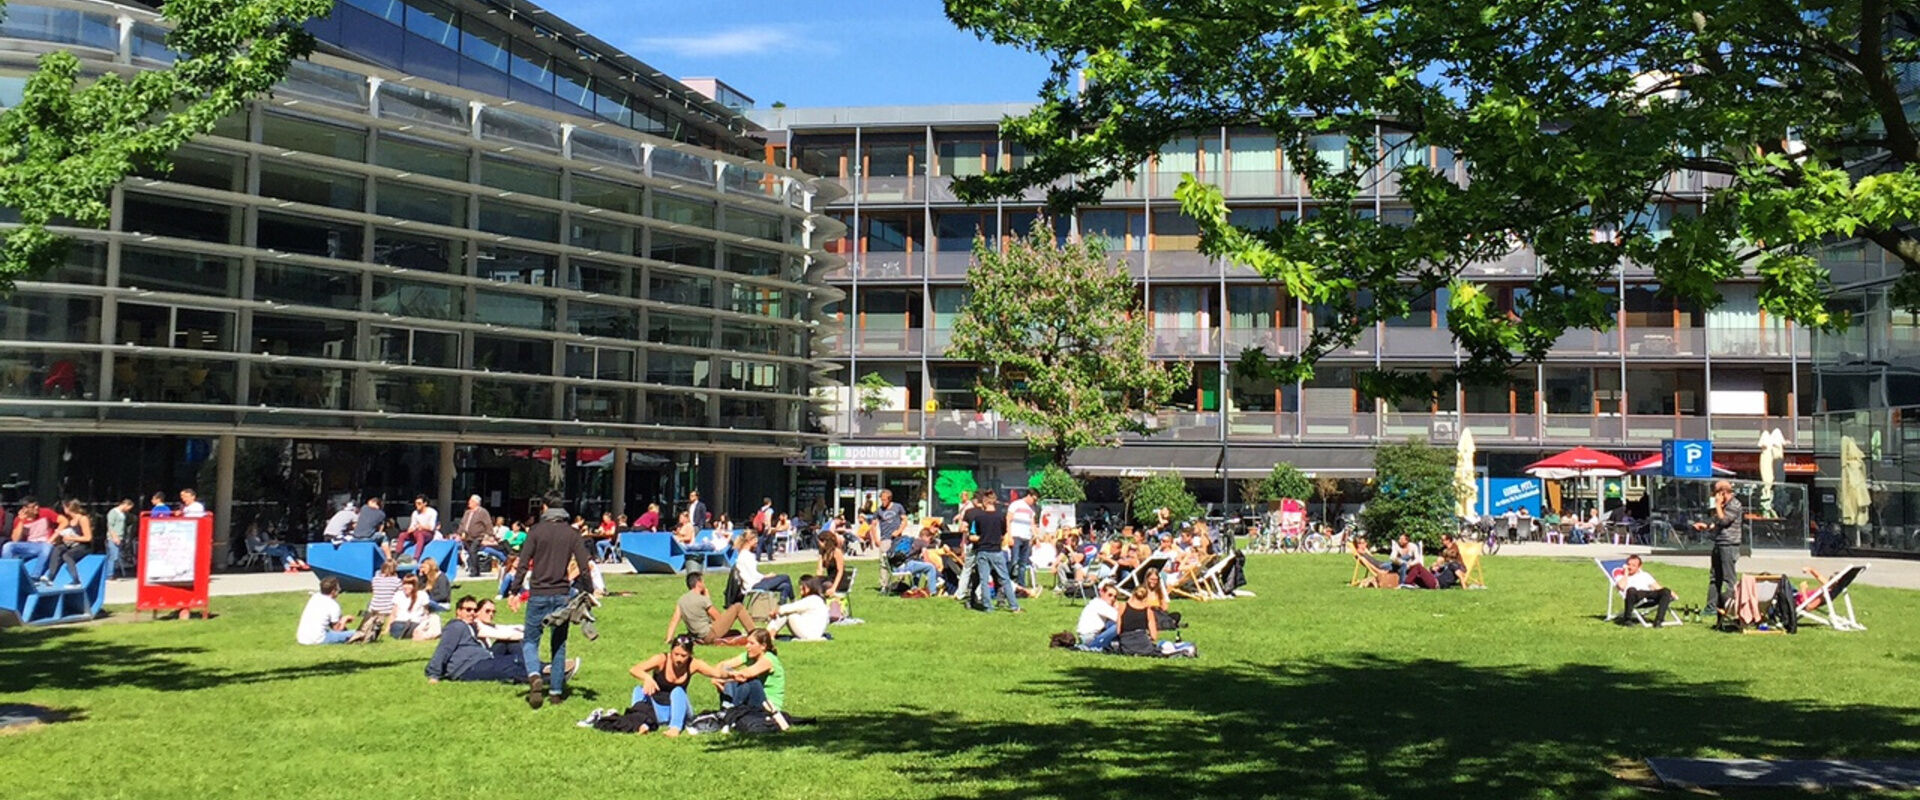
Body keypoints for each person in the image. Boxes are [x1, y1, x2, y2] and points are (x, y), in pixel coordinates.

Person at [509, 494, 594, 709]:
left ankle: (535, 675)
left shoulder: (536, 531)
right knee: (559, 644)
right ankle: (556, 692)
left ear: (545, 507)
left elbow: (522, 563)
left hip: (538, 592)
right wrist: (589, 590)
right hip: (562, 594)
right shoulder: (572, 533)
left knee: (530, 640)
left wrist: (514, 590)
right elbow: (584, 565)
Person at [628, 636, 729, 736]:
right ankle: (641, 723)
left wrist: (735, 674)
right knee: (639, 690)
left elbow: (717, 673)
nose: (678, 659)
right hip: (657, 709)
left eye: (683, 655)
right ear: (671, 651)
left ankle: (675, 728)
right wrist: (647, 677)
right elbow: (634, 669)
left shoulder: (694, 664)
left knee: (678, 691)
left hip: (679, 710)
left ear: (690, 654)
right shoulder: (661, 660)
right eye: (676, 654)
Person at [427, 596, 531, 683]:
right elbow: (444, 649)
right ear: (458, 611)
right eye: (468, 609)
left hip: (482, 658)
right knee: (512, 663)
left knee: (514, 659)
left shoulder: (471, 625)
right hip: (470, 665)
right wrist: (433, 675)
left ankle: (540, 670)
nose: (472, 612)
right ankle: (539, 671)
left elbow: (503, 628)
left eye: (474, 610)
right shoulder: (458, 626)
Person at [960, 488, 1020, 613]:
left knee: (984, 580)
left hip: (982, 551)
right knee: (1005, 579)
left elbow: (972, 535)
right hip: (997, 551)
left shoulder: (978, 517)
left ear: (984, 502)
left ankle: (988, 607)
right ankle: (1014, 606)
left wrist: (982, 538)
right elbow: (1003, 534)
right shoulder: (1001, 517)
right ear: (995, 501)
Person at [1692, 480, 1744, 617]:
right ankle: (1711, 607)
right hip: (1719, 543)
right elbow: (1717, 523)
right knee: (1715, 577)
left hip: (1729, 544)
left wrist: (1717, 505)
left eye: (1716, 493)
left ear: (1722, 492)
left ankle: (1731, 606)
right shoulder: (1724, 505)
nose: (1714, 496)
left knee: (1729, 578)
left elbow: (1724, 521)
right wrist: (1706, 526)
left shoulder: (1735, 504)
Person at [665, 572, 756, 644]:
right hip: (708, 635)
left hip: (696, 636)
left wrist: (669, 639)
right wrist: (707, 598)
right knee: (738, 607)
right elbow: (718, 618)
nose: (704, 584)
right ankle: (755, 634)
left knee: (736, 632)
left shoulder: (682, 600)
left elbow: (674, 620)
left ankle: (750, 634)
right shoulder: (702, 599)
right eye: (703, 581)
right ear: (698, 583)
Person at [712, 628, 786, 716]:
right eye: (747, 642)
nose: (747, 646)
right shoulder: (748, 656)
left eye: (751, 643)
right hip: (753, 701)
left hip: (768, 706)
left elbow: (745, 674)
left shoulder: (768, 660)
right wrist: (718, 676)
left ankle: (729, 710)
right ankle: (727, 710)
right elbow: (723, 665)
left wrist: (724, 680)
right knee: (733, 680)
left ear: (763, 646)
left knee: (751, 682)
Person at [40, 499, 94, 588]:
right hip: (72, 544)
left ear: (68, 508)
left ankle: (76, 580)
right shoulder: (70, 520)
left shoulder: (82, 519)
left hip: (83, 546)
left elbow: (88, 537)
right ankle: (50, 576)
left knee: (67, 555)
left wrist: (71, 538)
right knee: (58, 549)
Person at [1612, 555, 1676, 627]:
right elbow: (1621, 586)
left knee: (1666, 591)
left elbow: (1658, 587)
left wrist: (1671, 593)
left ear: (1639, 567)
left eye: (1633, 565)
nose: (1630, 567)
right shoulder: (1621, 576)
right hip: (1634, 597)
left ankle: (1658, 621)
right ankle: (1627, 620)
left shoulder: (1645, 575)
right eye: (1628, 564)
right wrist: (1626, 574)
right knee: (1631, 589)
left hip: (1648, 596)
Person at [3, 496, 59, 574]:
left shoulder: (46, 512)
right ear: (25, 509)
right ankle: (7, 572)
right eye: (33, 507)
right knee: (8, 546)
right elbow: (15, 539)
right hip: (29, 545)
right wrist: (21, 521)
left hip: (44, 544)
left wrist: (53, 538)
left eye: (37, 505)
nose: (36, 508)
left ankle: (36, 575)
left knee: (47, 547)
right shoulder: (19, 519)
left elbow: (64, 521)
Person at [733, 531, 794, 602]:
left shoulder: (743, 554)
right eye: (755, 541)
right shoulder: (746, 556)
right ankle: (793, 600)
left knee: (786, 586)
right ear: (749, 541)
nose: (757, 543)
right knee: (786, 577)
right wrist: (767, 576)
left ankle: (781, 608)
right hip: (754, 585)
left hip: (756, 583)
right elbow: (754, 575)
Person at [767, 575, 831, 641]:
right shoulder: (817, 599)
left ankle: (769, 634)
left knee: (787, 613)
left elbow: (788, 608)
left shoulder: (812, 599)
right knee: (787, 611)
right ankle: (768, 633)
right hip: (814, 633)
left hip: (810, 634)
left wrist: (775, 611)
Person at [296, 577, 355, 645]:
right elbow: (337, 629)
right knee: (355, 633)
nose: (340, 590)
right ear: (333, 591)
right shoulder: (333, 605)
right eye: (338, 589)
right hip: (318, 639)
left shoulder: (315, 597)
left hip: (302, 638)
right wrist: (345, 619)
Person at [389, 574, 442, 640]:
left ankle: (423, 634)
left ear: (415, 585)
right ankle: (425, 635)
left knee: (433, 618)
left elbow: (393, 615)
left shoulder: (421, 595)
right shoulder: (400, 594)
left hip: (398, 629)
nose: (406, 586)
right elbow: (393, 614)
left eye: (409, 584)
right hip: (407, 626)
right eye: (405, 584)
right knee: (435, 618)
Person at [1075, 581, 1121, 652]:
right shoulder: (1100, 604)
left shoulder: (1095, 602)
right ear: (1102, 592)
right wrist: (1118, 608)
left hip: (1087, 636)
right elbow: (1119, 619)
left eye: (1115, 597)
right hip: (1089, 637)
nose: (1112, 598)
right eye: (1110, 595)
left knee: (1111, 625)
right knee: (1117, 626)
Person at [1006, 489, 1038, 589]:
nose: (1034, 501)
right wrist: (1009, 535)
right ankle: (1006, 581)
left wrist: (1035, 536)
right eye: (1033, 499)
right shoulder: (1015, 504)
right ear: (1029, 495)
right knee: (1014, 560)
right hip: (1016, 536)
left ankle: (1021, 584)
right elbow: (1008, 519)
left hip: (1027, 538)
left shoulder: (1031, 509)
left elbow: (1032, 524)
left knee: (1023, 563)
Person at [457, 495, 494, 576]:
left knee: (473, 551)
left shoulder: (482, 512)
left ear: (476, 502)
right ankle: (476, 570)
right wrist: (460, 532)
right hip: (467, 537)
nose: (469, 503)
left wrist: (490, 535)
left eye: (471, 501)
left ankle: (474, 571)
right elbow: (463, 523)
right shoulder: (467, 512)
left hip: (478, 536)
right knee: (471, 553)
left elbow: (488, 523)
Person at [900, 525, 942, 592]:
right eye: (930, 539)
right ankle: (933, 591)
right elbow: (926, 559)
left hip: (901, 566)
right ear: (925, 536)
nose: (929, 541)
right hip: (909, 565)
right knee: (930, 567)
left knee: (920, 565)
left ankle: (915, 588)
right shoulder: (922, 542)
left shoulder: (914, 541)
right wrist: (935, 565)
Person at [399, 495, 438, 562]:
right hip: (416, 532)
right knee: (402, 535)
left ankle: (416, 558)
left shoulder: (432, 512)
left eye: (419, 503)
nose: (417, 505)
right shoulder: (415, 513)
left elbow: (431, 527)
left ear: (425, 503)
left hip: (427, 534)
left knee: (420, 534)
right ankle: (397, 554)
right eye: (416, 503)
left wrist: (421, 527)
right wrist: (410, 530)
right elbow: (412, 525)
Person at [366, 560, 402, 627]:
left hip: (374, 607)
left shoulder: (375, 579)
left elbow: (374, 592)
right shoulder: (397, 581)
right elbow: (400, 596)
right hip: (388, 608)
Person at [105, 498, 133, 578]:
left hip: (121, 536)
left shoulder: (123, 514)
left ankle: (114, 572)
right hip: (114, 537)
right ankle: (109, 574)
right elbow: (110, 526)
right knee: (114, 556)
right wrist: (114, 537)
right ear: (125, 505)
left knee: (117, 556)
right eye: (128, 508)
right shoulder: (113, 513)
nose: (128, 510)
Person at [872, 489, 906, 553]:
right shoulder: (879, 510)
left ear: (890, 499)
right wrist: (876, 540)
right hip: (885, 539)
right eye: (882, 500)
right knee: (885, 560)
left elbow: (905, 521)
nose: (883, 502)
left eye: (884, 500)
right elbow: (873, 525)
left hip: (897, 538)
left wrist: (898, 531)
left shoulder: (898, 507)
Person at [815, 530, 847, 597]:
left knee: (824, 586)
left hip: (838, 581)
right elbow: (819, 570)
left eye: (820, 542)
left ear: (825, 542)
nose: (818, 544)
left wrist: (833, 588)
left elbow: (840, 571)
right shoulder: (824, 553)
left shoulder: (837, 552)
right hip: (830, 579)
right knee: (811, 585)